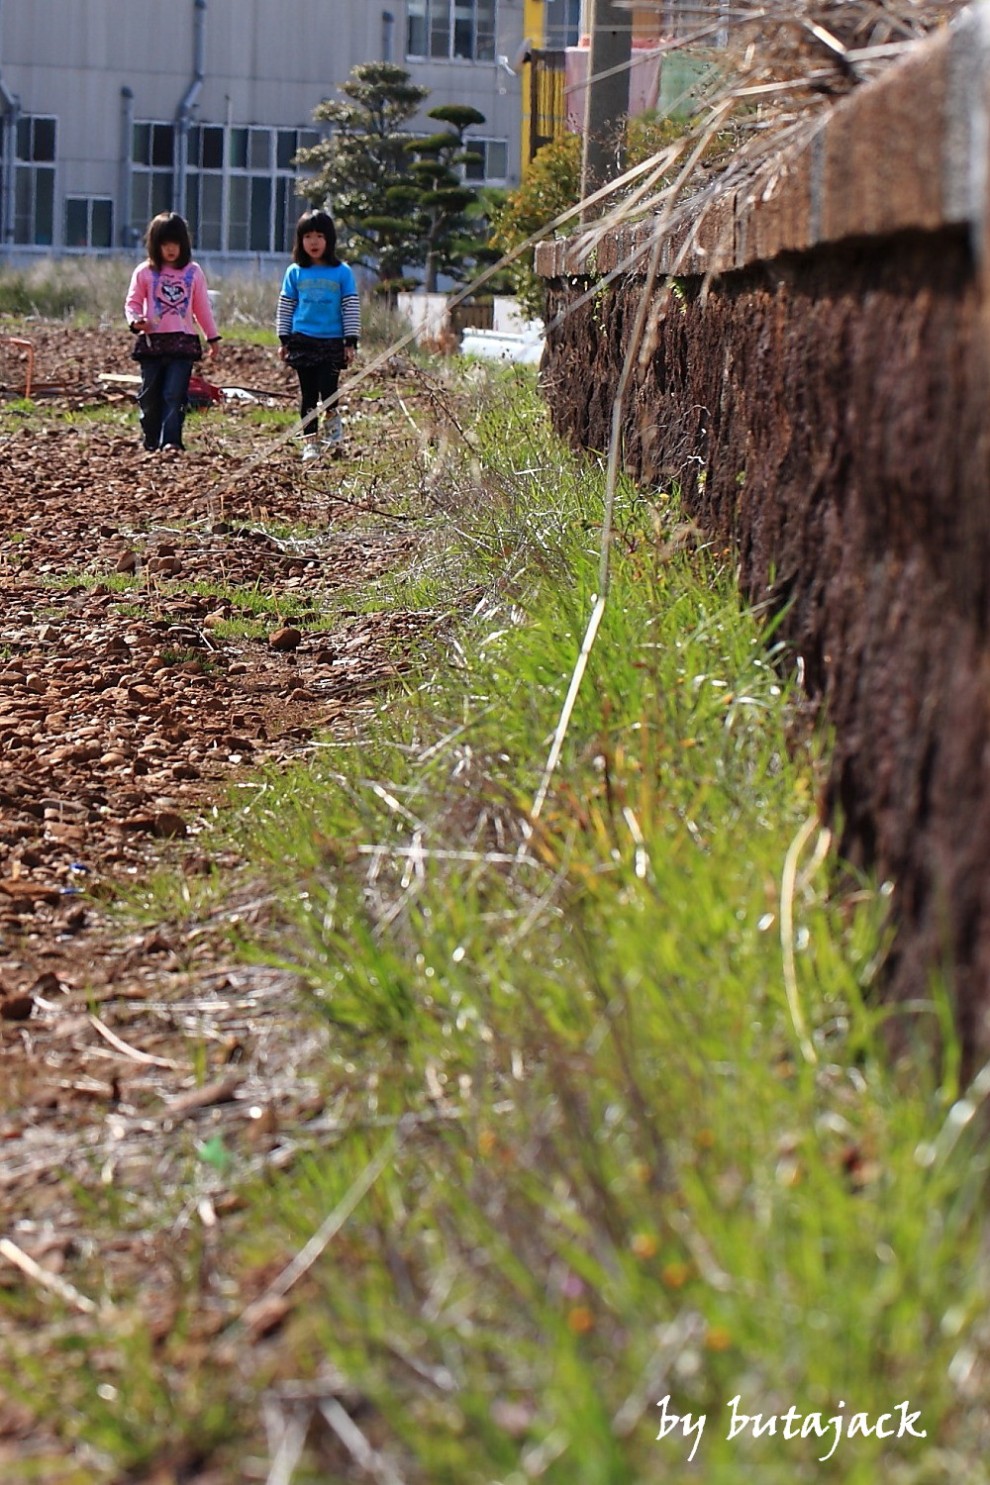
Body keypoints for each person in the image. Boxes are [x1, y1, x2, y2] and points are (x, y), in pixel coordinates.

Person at [124, 212, 220, 455]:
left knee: (174, 394)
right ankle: (151, 439)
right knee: (149, 395)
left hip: (182, 343)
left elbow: (201, 308)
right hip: (152, 343)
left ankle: (172, 441)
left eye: (175, 243)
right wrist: (136, 322)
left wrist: (212, 337)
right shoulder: (144, 272)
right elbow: (133, 303)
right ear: (155, 245)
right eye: (164, 244)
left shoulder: (193, 272)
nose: (170, 249)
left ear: (184, 244)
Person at [277, 208, 360, 460]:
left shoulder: (342, 272)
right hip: (303, 340)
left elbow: (350, 306)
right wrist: (284, 339)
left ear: (330, 240)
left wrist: (350, 341)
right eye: (308, 236)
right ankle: (310, 442)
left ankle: (334, 433)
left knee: (329, 390)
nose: (314, 242)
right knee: (309, 394)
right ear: (300, 241)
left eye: (319, 236)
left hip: (332, 341)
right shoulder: (295, 272)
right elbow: (286, 305)